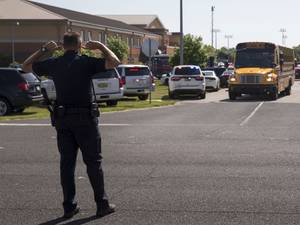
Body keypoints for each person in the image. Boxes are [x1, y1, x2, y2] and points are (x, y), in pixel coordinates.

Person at [22, 32, 120, 219]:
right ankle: (102, 205)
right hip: (86, 119)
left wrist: (43, 50)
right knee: (93, 162)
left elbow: (25, 66)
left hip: (63, 119)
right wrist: (100, 46)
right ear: (80, 45)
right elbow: (114, 62)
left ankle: (69, 207)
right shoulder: (86, 61)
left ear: (62, 46)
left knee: (67, 164)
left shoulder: (54, 63)